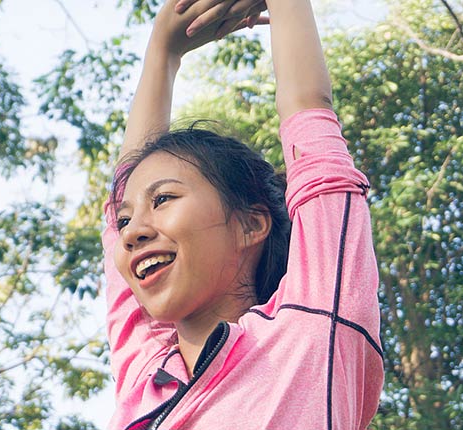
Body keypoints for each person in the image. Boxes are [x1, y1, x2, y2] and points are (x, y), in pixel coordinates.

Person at [102, 0, 384, 428]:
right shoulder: (146, 382)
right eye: (125, 221)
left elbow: (314, 133)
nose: (131, 232)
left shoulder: (313, 327)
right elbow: (122, 198)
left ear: (251, 223)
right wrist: (162, 53)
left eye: (163, 200)